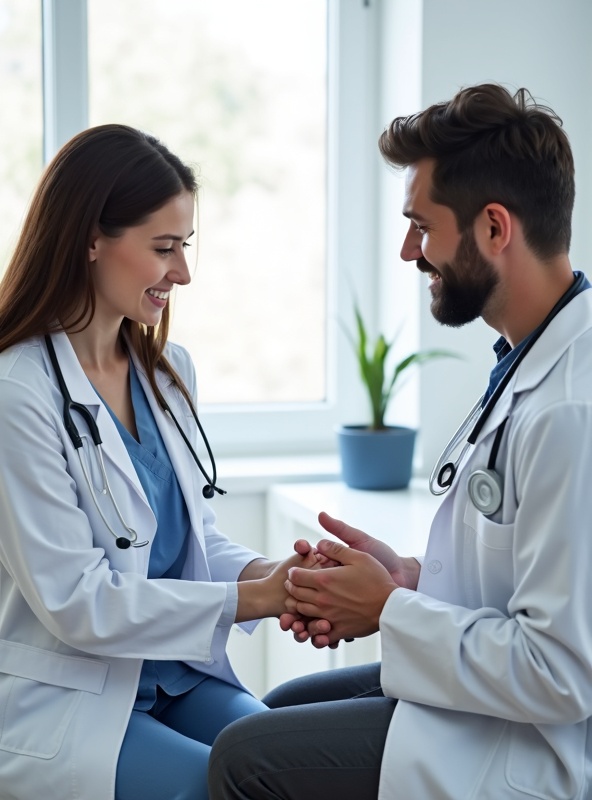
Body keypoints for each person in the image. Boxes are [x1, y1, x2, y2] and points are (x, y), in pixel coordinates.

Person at [208, 83, 592, 799]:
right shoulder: (531, 355)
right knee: (275, 710)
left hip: (536, 749)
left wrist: (386, 610)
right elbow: (521, 581)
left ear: (494, 229)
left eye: (422, 226)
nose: (410, 250)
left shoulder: (572, 408)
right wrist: (412, 578)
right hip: (492, 705)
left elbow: (562, 675)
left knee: (243, 758)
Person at [0, 124, 321, 800]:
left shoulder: (169, 373)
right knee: (212, 789)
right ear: (92, 238)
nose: (183, 272)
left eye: (185, 247)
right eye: (163, 249)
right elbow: (76, 601)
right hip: (71, 697)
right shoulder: (17, 392)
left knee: (289, 771)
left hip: (176, 675)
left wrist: (277, 576)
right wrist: (248, 599)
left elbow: (192, 541)